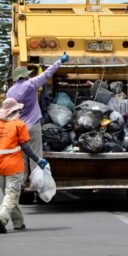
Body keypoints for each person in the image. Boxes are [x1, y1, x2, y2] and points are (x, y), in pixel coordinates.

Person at [7, 52, 69, 186]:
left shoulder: (10, 91)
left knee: (22, 156)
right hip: (32, 125)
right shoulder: (30, 84)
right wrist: (60, 61)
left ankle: (22, 183)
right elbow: (47, 74)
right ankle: (37, 183)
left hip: (17, 127)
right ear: (25, 75)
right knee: (35, 155)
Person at [0, 98, 48, 234]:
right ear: (15, 111)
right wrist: (38, 160)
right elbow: (26, 146)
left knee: (9, 196)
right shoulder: (19, 125)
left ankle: (18, 223)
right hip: (13, 166)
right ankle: (2, 218)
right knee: (12, 194)